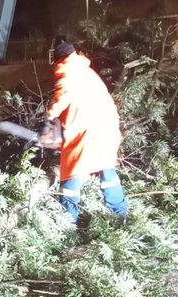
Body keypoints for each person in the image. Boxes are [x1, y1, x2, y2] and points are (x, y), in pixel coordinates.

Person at [45, 41, 128, 222]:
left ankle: (67, 219)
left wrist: (49, 117)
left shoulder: (66, 69)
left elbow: (62, 95)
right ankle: (120, 213)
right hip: (106, 127)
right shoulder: (86, 70)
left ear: (58, 58)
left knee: (72, 172)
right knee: (107, 169)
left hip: (85, 131)